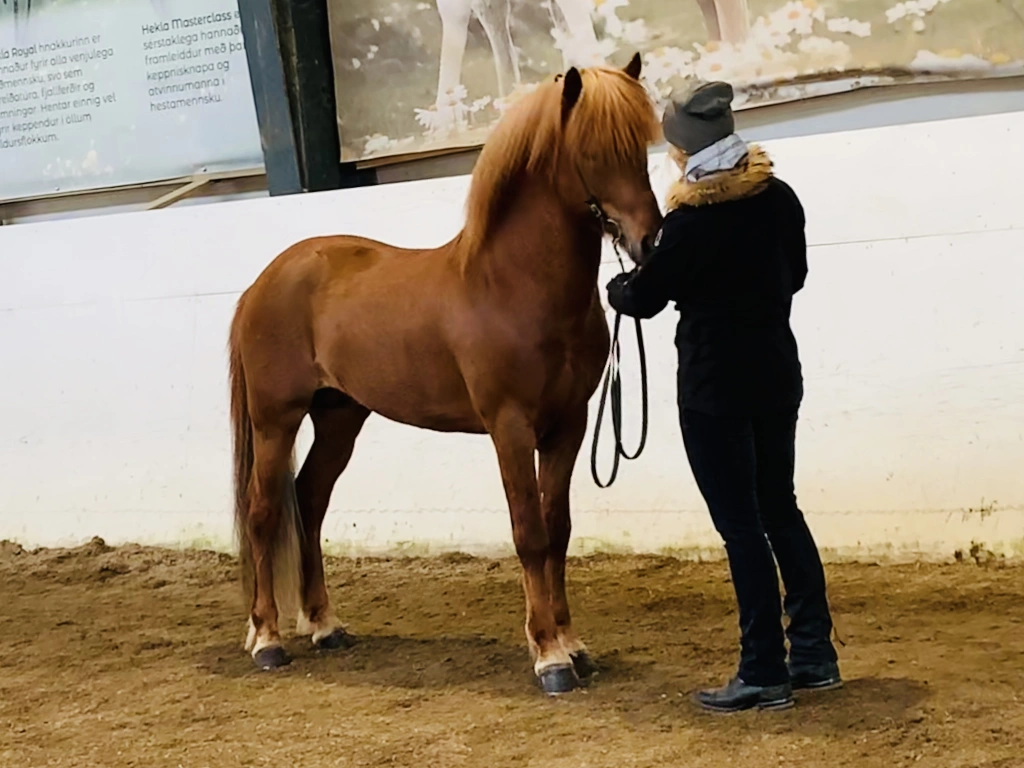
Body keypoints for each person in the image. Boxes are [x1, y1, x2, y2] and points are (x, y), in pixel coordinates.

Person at [605, 80, 841, 713]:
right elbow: (796, 274)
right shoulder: (779, 198)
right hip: (776, 375)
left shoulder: (690, 224)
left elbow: (643, 299)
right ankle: (814, 654)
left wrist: (617, 288)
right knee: (780, 509)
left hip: (715, 390)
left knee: (740, 528)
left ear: (683, 149)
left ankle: (762, 668)